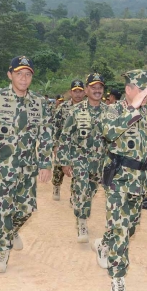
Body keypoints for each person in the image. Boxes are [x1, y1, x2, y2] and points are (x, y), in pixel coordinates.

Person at [91, 69, 147, 291]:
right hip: (118, 180)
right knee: (121, 230)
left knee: (129, 228)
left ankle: (104, 245)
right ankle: (118, 279)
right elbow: (108, 132)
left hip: (140, 181)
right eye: (143, 90)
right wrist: (132, 110)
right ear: (129, 89)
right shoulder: (112, 110)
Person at [0, 55, 53, 273]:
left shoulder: (39, 103)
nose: (24, 78)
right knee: (2, 210)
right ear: (10, 75)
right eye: (19, 73)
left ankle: (11, 230)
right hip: (1, 167)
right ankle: (2, 251)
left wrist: (45, 164)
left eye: (28, 74)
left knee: (26, 210)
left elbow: (46, 135)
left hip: (27, 168)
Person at [58, 75, 107, 243]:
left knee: (91, 191)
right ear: (87, 90)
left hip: (100, 161)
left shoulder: (110, 112)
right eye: (93, 87)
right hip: (80, 158)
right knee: (82, 189)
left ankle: (82, 211)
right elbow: (65, 137)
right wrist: (64, 162)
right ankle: (82, 221)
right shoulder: (76, 111)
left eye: (100, 87)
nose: (97, 90)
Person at [52, 95, 67, 200]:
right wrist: (55, 144)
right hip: (63, 143)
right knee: (58, 167)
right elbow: (55, 126)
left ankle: (75, 194)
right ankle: (56, 186)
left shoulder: (84, 107)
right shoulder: (62, 108)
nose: (78, 94)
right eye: (75, 91)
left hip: (77, 145)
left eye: (80, 91)